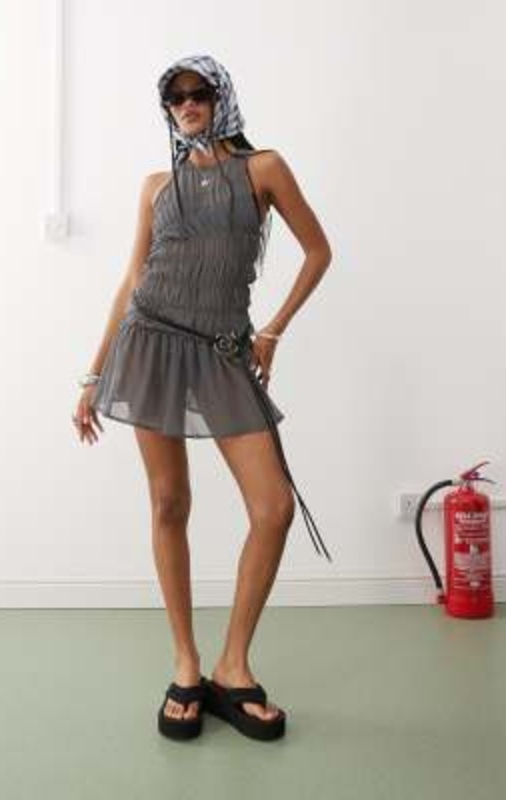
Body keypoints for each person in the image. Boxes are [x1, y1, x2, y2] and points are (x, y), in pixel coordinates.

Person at [72, 54, 332, 741]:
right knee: (169, 503)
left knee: (272, 508)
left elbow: (318, 252)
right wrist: (93, 376)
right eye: (174, 97)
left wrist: (272, 331)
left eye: (199, 92)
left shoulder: (263, 169)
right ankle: (186, 663)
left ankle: (232, 667)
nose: (186, 104)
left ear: (222, 98)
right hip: (150, 343)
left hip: (222, 352)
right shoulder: (157, 186)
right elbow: (133, 281)